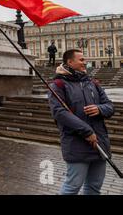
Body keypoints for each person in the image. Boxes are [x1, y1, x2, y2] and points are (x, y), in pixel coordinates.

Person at [48, 49, 114, 195]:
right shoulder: (58, 85)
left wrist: (100, 109)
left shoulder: (92, 83)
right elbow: (59, 113)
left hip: (99, 143)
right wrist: (87, 131)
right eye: (82, 60)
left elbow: (109, 106)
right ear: (70, 62)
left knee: (94, 187)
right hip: (77, 144)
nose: (85, 62)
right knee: (72, 187)